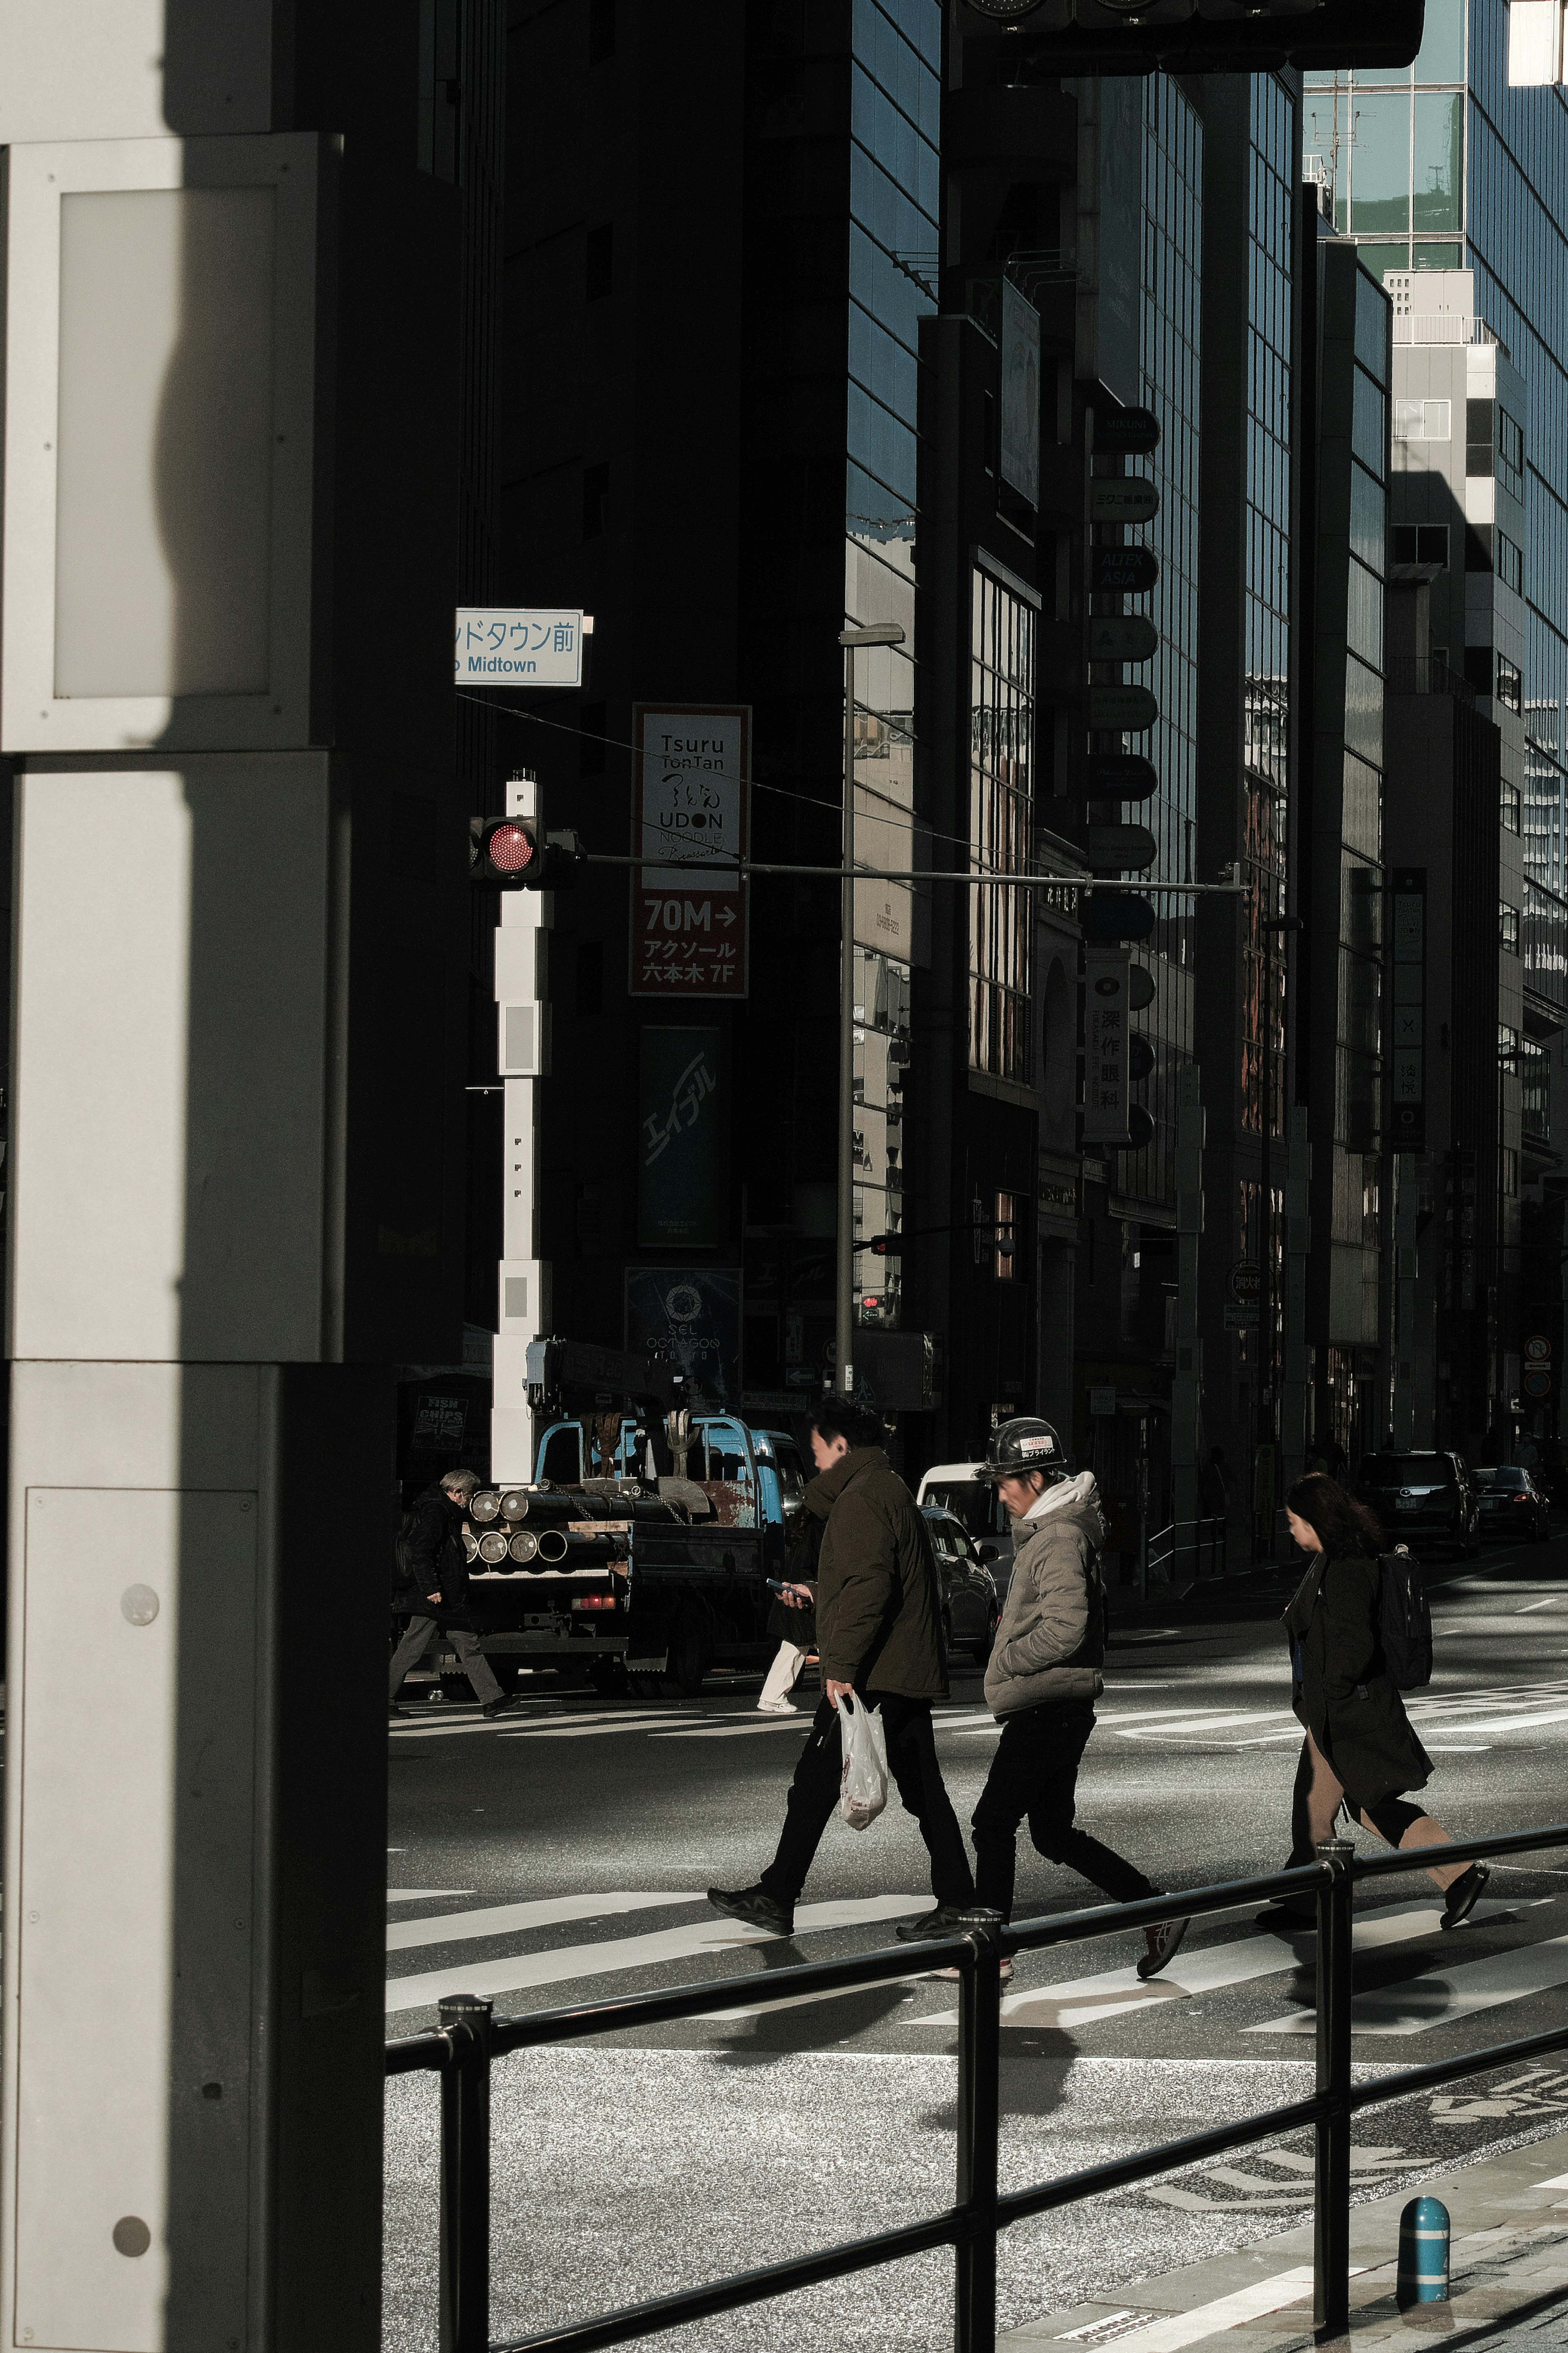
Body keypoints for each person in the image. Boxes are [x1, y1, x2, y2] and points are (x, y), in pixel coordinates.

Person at [708, 1400, 976, 1939]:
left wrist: (842, 1665)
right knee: (921, 1790)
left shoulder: (863, 1497)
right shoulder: (885, 1487)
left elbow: (868, 1587)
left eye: (816, 1451)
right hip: (896, 1665)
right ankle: (957, 1902)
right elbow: (871, 1581)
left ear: (840, 1446)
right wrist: (818, 1593)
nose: (814, 1463)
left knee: (815, 1782)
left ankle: (778, 1895)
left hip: (875, 1671)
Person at [967, 1418, 1190, 1982]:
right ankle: (1157, 1907)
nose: (1000, 1493)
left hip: (1048, 1705)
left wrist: (1010, 1656)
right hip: (1059, 1705)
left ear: (1036, 1477)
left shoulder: (1059, 1538)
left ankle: (991, 1951)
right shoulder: (1052, 1533)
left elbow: (1067, 1630)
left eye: (1005, 1481)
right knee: (1052, 1833)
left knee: (993, 1823)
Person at [1256, 1471, 1486, 1933]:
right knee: (1355, 1806)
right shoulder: (1336, 1559)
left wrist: (1331, 1693)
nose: (1292, 1529)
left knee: (1333, 1807)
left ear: (1318, 1521)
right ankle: (1310, 1898)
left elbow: (1352, 1645)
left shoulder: (1346, 1569)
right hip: (1337, 1710)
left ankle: (1458, 1873)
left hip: (1347, 1713)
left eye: (1296, 1521)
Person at [389, 1467, 521, 1720]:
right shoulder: (436, 1512)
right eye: (469, 1496)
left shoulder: (443, 1511)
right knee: (411, 1648)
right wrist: (431, 1589)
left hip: (447, 1596)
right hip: (433, 1597)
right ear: (457, 1492)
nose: (470, 1501)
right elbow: (421, 1551)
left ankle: (493, 1699)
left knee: (468, 1645)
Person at [756, 1510, 822, 1715]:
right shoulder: (820, 1529)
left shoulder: (802, 1531)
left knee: (794, 1648)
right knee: (805, 1646)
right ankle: (773, 1697)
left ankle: (772, 1696)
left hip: (793, 1592)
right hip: (804, 1595)